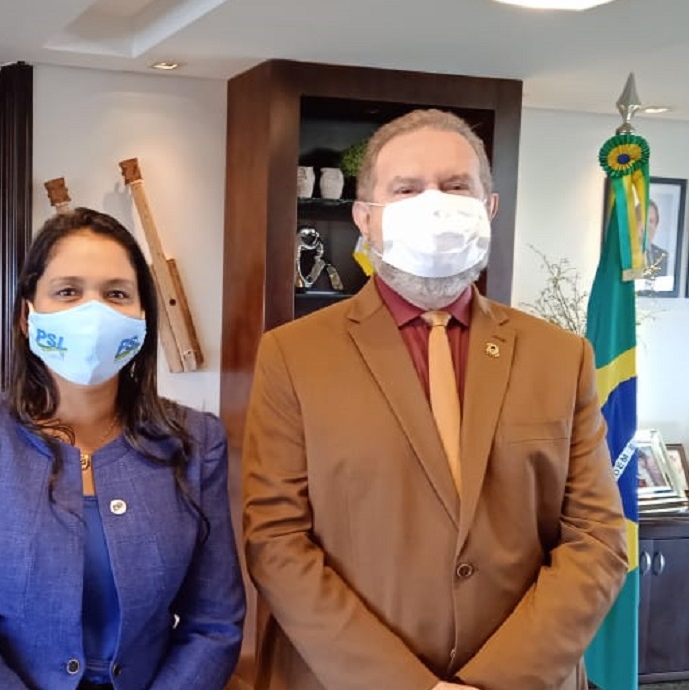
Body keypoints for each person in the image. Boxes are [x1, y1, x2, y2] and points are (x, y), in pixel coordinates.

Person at [242, 109, 627, 690]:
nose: (435, 205)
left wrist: (500, 681)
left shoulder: (561, 356)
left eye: (455, 186)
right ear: (364, 218)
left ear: (489, 208)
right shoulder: (293, 355)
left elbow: (597, 537)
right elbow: (276, 542)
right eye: (406, 189)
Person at [0, 208, 245, 690]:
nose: (94, 313)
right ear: (27, 317)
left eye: (116, 294)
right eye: (68, 291)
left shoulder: (195, 442)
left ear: (143, 318)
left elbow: (214, 623)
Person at [638, 198, 669, 278]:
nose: (648, 226)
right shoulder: (624, 253)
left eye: (651, 221)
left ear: (656, 226)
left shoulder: (663, 256)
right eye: (644, 221)